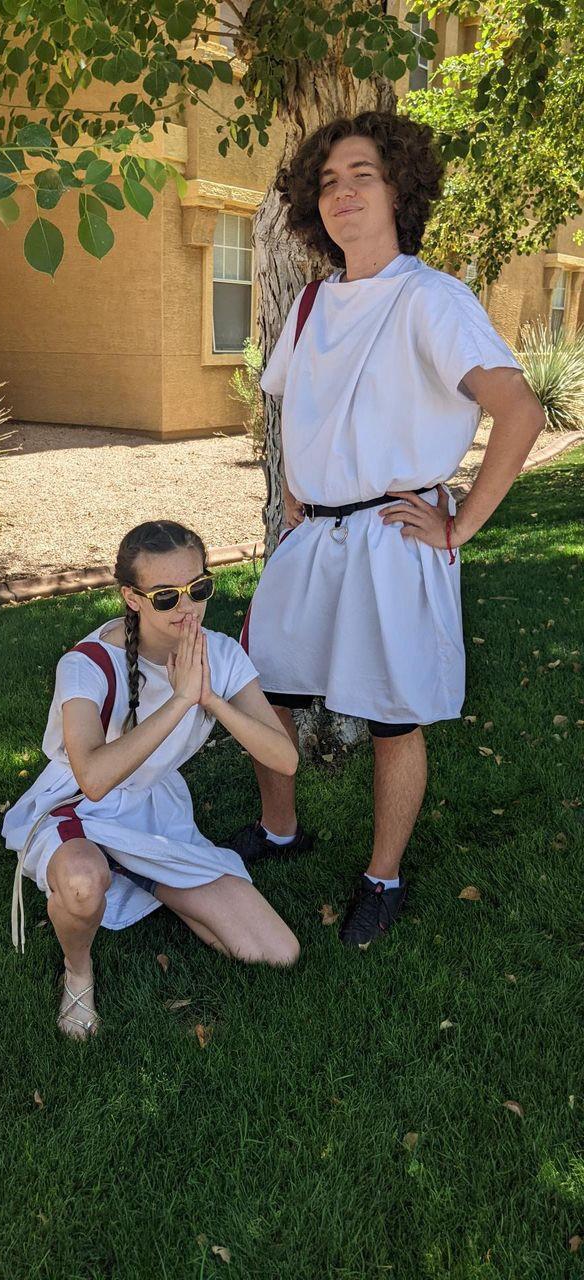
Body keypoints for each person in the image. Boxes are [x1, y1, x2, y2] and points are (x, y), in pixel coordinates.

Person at [231, 111, 545, 947]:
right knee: (268, 691)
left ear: (400, 187)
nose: (343, 194)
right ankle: (279, 830)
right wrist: (297, 487)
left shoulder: (432, 299)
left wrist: (458, 528)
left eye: (362, 174)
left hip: (395, 540)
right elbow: (295, 403)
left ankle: (383, 875)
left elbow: (519, 410)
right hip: (313, 542)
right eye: (328, 181)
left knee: (391, 719)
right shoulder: (307, 305)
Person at [3, 520, 300, 1038]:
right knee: (81, 883)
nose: (188, 608)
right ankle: (79, 969)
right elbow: (92, 778)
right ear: (132, 598)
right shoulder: (88, 664)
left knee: (276, 952)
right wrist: (183, 698)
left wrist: (209, 698)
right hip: (75, 807)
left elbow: (284, 758)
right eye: (166, 597)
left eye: (199, 589)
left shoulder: (221, 654)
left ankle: (143, 875)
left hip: (151, 810)